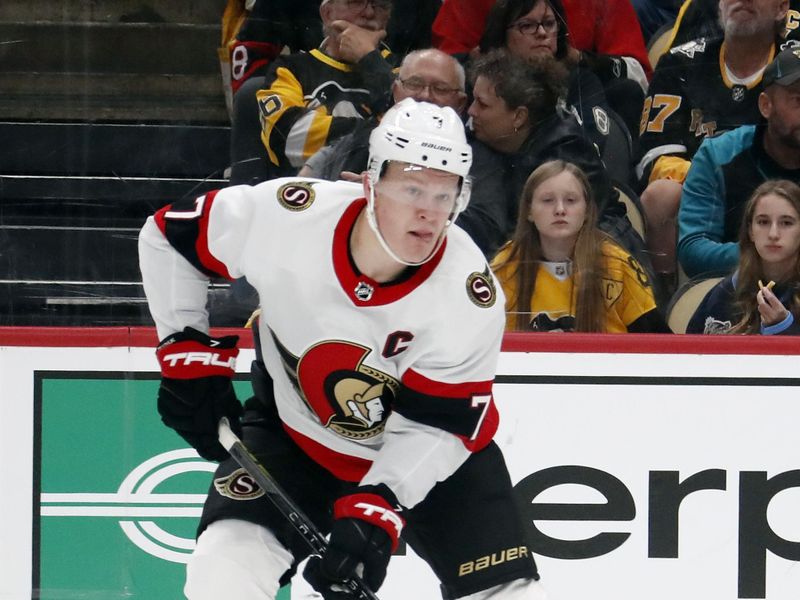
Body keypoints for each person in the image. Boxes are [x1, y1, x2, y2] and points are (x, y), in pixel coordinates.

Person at [138, 98, 545, 600]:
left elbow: (439, 425)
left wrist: (381, 502)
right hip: (294, 438)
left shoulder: (466, 295)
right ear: (369, 183)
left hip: (432, 461)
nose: (427, 211)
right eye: (412, 188)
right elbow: (167, 237)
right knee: (222, 569)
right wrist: (187, 352)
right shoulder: (288, 216)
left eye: (444, 196)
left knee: (509, 594)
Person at [636, 0, 789, 296]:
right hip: (700, 199)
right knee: (660, 194)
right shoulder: (679, 62)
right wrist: (708, 177)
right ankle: (666, 305)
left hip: (780, 196)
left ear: (782, 8)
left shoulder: (793, 71)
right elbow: (654, 151)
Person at [462, 49, 645, 268]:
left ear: (519, 116)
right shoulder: (494, 141)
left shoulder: (562, 158)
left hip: (602, 268)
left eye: (482, 104)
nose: (471, 111)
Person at [229, 0, 397, 185]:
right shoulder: (290, 69)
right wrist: (374, 134)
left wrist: (369, 59)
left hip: (373, 200)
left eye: (380, 5)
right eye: (355, 2)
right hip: (299, 199)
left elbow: (408, 138)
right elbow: (289, 137)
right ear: (327, 13)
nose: (369, 13)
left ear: (387, 18)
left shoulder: (404, 73)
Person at [491, 160, 667, 332]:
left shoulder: (616, 265)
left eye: (570, 200)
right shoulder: (505, 266)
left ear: (587, 211)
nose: (560, 209)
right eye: (547, 200)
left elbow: (656, 345)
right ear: (529, 211)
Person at [678, 46, 800, 278]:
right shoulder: (719, 154)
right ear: (766, 105)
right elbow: (693, 248)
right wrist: (768, 253)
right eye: (798, 100)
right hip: (736, 293)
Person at [299, 48, 468, 181]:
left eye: (440, 89)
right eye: (414, 84)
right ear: (395, 91)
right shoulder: (358, 141)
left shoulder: (476, 160)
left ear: (460, 103)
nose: (425, 95)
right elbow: (304, 186)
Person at [477, 0, 617, 156]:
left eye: (549, 24)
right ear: (502, 35)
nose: (542, 33)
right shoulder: (484, 85)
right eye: (527, 26)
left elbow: (590, 149)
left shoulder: (580, 83)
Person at [687, 179, 800, 334]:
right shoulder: (725, 294)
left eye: (786, 223)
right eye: (763, 222)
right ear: (750, 231)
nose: (773, 234)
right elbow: (691, 354)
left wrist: (783, 328)